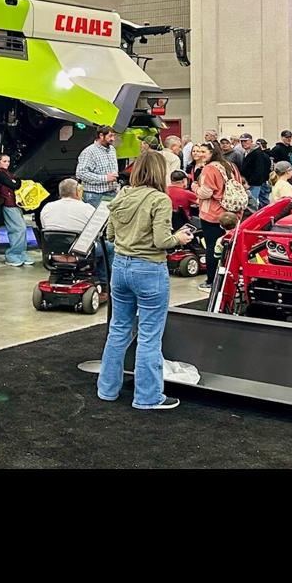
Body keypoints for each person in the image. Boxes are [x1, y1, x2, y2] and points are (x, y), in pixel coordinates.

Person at [97, 149, 195, 411]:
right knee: (149, 336)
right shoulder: (159, 199)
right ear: (160, 172)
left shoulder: (122, 195)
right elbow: (162, 241)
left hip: (120, 268)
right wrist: (179, 238)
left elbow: (110, 236)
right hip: (149, 269)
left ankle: (107, 389)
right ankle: (148, 397)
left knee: (118, 330)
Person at [39, 178, 112, 281]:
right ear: (78, 191)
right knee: (110, 247)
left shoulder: (47, 207)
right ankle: (104, 282)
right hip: (79, 256)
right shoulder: (87, 208)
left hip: (54, 255)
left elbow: (46, 229)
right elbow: (96, 232)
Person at [193, 142, 241, 291]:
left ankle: (212, 281)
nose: (200, 154)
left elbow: (206, 193)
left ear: (212, 153)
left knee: (212, 247)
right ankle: (230, 278)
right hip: (232, 213)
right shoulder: (231, 166)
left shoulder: (209, 169)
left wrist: (195, 187)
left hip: (212, 214)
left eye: (203, 151)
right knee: (230, 247)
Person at [0, 153, 31, 267]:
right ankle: (13, 254)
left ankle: (21, 253)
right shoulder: (0, 174)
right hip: (9, 204)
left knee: (21, 228)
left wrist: (16, 182)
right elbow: (14, 185)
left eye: (8, 161)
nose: (7, 164)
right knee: (18, 229)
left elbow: (16, 182)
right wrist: (17, 182)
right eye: (4, 161)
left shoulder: (6, 173)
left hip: (14, 204)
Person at [76, 126, 120, 207]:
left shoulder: (112, 149)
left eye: (114, 136)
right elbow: (81, 173)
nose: (113, 139)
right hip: (94, 196)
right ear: (101, 135)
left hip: (112, 193)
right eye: (110, 136)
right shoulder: (89, 152)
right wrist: (105, 178)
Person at [239, 133, 272, 209]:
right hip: (252, 183)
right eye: (242, 141)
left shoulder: (257, 154)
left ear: (251, 141)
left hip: (254, 184)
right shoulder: (247, 153)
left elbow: (259, 170)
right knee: (260, 203)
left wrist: (250, 183)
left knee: (252, 205)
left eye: (245, 141)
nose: (243, 143)